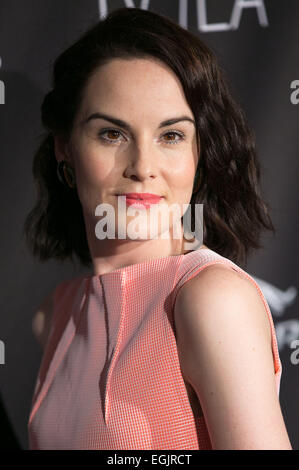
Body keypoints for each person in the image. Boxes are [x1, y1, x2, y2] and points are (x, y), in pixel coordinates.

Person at [23, 7, 292, 450]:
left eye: (170, 136)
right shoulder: (54, 314)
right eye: (112, 134)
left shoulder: (211, 300)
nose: (143, 168)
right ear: (65, 148)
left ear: (199, 154)